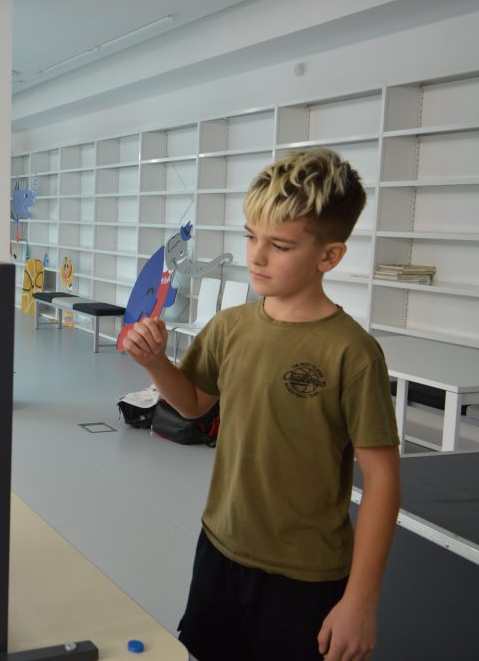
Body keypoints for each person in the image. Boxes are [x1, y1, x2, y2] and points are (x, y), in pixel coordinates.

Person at [124, 148, 401, 661]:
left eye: (280, 245)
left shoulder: (353, 353)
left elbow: (382, 479)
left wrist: (361, 601)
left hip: (307, 574)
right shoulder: (229, 327)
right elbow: (193, 406)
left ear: (328, 257)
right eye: (251, 237)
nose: (257, 256)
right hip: (221, 547)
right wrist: (156, 363)